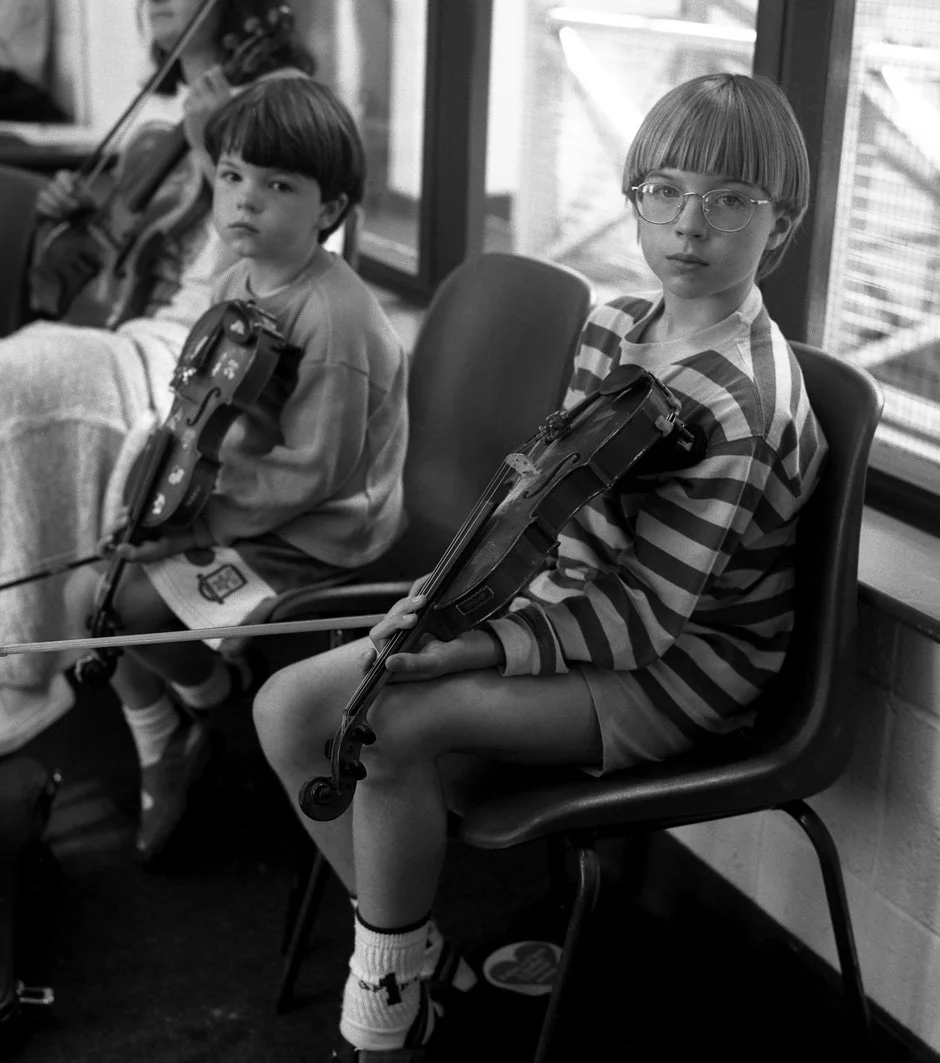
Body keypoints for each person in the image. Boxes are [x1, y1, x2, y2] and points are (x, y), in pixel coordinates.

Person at [251, 72, 829, 1061]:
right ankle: (409, 944)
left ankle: (384, 1010)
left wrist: (469, 651)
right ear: (634, 203)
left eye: (730, 201)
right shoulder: (612, 328)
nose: (690, 224)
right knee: (289, 709)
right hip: (575, 610)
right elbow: (540, 510)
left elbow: (651, 618)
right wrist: (440, 604)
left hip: (682, 670)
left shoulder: (746, 401)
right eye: (665, 191)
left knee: (386, 723)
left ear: (777, 230)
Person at [64, 76, 408, 866]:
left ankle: (212, 710)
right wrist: (158, 501)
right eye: (230, 176)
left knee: (125, 603)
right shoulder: (233, 280)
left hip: (316, 532)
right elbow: (200, 410)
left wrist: (196, 521)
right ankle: (175, 729)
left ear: (329, 211)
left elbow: (316, 471)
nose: (244, 202)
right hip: (244, 503)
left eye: (278, 185)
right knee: (94, 591)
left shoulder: (335, 317)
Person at [0, 0, 313, 758]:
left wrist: (213, 151)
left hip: (213, 346)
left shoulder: (283, 101)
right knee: (22, 361)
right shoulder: (165, 115)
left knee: (14, 374)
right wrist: (73, 224)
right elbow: (102, 274)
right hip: (133, 329)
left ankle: (20, 658)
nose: (154, 1)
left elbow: (270, 270)